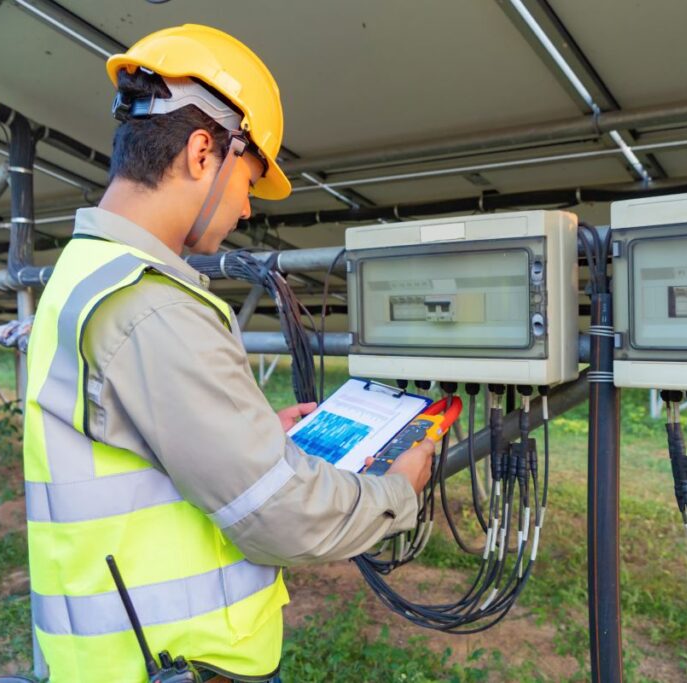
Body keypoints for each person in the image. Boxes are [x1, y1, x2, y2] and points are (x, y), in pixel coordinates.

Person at [21, 24, 434, 683]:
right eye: (249, 176)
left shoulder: (85, 271)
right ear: (201, 151)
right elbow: (281, 516)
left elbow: (130, 447)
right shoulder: (150, 305)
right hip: (173, 662)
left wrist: (252, 436)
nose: (246, 205)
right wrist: (398, 490)